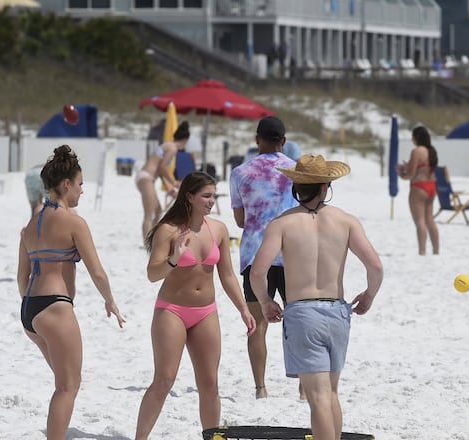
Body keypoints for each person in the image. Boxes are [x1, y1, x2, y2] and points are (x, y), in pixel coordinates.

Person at [249, 154, 384, 440]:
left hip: (303, 312)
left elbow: (258, 271)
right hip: (337, 310)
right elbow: (375, 266)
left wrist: (265, 301)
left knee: (318, 397)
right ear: (326, 187)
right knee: (331, 392)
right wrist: (370, 295)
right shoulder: (346, 221)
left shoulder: (282, 223)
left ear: (296, 187)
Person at [135, 171, 256, 438]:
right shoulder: (168, 230)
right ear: (189, 197)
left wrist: (243, 308)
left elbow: (226, 275)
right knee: (164, 379)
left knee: (210, 383)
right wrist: (173, 259)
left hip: (206, 312)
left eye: (214, 195)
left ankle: (211, 436)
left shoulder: (219, 229)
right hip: (172, 311)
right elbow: (152, 274)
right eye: (206, 196)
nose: (212, 201)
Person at [17, 145, 125, 439]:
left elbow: (21, 279)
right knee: (67, 387)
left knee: (65, 382)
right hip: (55, 307)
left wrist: (36, 307)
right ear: (66, 185)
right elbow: (97, 271)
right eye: (79, 185)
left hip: (30, 311)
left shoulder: (30, 226)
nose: (82, 192)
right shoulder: (74, 223)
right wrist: (110, 301)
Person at [229, 116, 299, 399]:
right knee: (299, 322)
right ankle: (305, 387)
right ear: (283, 141)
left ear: (257, 139)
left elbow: (240, 220)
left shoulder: (240, 172)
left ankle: (260, 388)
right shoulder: (297, 170)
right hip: (292, 253)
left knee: (256, 326)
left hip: (255, 256)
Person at [135, 121, 190, 245]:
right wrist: (174, 182)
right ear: (185, 140)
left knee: (158, 210)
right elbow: (163, 168)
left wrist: (170, 187)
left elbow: (160, 169)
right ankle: (146, 243)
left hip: (146, 177)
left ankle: (152, 239)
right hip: (146, 178)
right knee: (149, 213)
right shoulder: (173, 148)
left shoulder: (167, 145)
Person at [396, 125, 439, 255]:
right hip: (432, 186)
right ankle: (436, 250)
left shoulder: (417, 151)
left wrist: (401, 172)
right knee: (430, 219)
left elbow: (410, 174)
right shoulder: (431, 151)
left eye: (412, 136)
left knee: (420, 220)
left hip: (419, 187)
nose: (411, 139)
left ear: (417, 137)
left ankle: (422, 251)